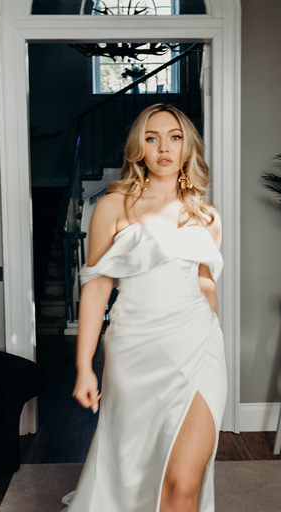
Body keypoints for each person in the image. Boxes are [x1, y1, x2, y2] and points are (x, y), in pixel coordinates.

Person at [64, 104, 226, 512]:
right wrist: (85, 366)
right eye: (152, 138)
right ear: (139, 149)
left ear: (188, 146)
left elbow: (205, 281)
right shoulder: (113, 206)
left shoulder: (207, 216)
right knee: (135, 470)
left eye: (174, 137)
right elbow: (97, 289)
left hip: (197, 347)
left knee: (182, 484)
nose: (164, 147)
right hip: (133, 350)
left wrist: (212, 328)